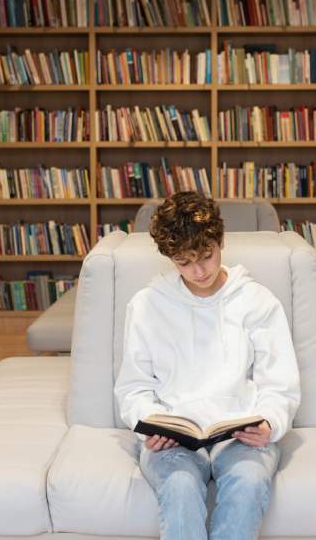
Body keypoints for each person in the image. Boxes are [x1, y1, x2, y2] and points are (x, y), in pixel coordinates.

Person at [114, 191, 301, 540]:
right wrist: (150, 426)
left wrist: (270, 423)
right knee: (180, 487)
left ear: (221, 241)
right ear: (170, 258)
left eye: (205, 256)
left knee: (248, 483)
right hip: (174, 440)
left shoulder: (257, 301)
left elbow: (280, 383)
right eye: (184, 262)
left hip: (241, 436)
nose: (198, 271)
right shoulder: (147, 305)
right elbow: (133, 387)